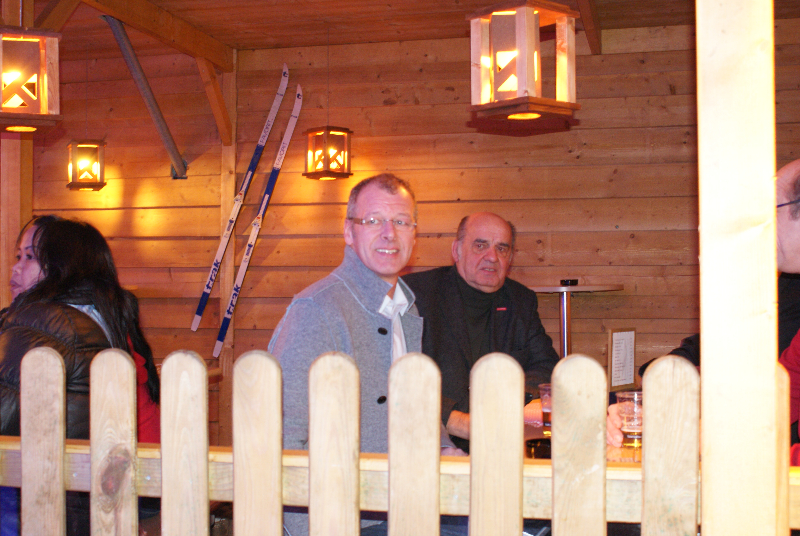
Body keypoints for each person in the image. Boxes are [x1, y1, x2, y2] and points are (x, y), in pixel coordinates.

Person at [269, 174, 464, 536]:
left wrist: (443, 448)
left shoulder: (406, 308)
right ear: (349, 231)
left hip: (407, 503)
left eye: (401, 222)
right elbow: (282, 437)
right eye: (374, 220)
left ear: (414, 235)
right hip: (348, 519)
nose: (390, 233)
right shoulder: (316, 309)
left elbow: (412, 408)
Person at [0, 216, 160, 536]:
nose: (16, 268)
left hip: (51, 497)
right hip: (115, 484)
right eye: (18, 256)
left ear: (63, 268)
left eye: (30, 257)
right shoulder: (101, 320)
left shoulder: (45, 324)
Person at [404, 212, 560, 453]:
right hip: (430, 443)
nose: (492, 257)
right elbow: (399, 378)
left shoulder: (521, 300)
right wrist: (455, 420)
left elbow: (546, 366)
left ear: (510, 258)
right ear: (456, 251)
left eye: (502, 248)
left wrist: (508, 402)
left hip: (503, 443)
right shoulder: (415, 295)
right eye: (480, 245)